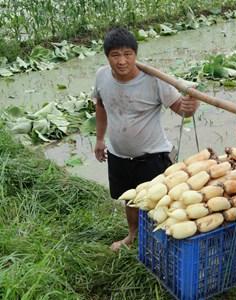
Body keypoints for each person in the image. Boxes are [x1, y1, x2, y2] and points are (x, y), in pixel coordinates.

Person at [93, 27, 199, 252]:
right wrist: (100, 139)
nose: (122, 61)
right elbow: (100, 106)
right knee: (130, 199)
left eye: (127, 54)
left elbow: (181, 109)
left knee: (159, 203)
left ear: (135, 54)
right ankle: (133, 235)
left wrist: (191, 106)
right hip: (119, 154)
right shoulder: (102, 76)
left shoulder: (155, 80)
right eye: (116, 55)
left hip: (152, 156)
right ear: (107, 57)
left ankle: (163, 245)